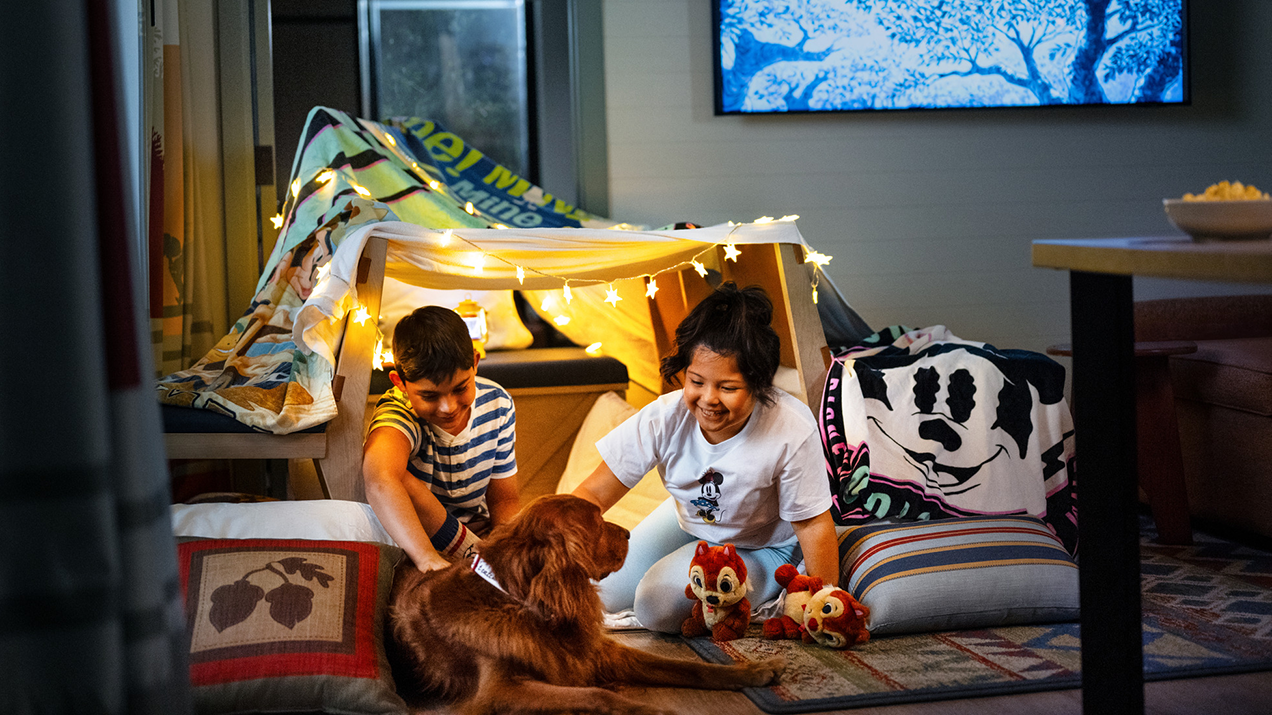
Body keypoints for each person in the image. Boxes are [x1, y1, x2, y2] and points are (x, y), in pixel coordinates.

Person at [572, 282, 839, 633]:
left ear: (759, 385)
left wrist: (825, 600)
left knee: (657, 606)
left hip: (762, 546)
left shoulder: (789, 426)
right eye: (697, 381)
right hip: (689, 523)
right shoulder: (664, 417)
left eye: (727, 388)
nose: (708, 399)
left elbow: (813, 525)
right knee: (591, 595)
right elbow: (591, 496)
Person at [363, 305, 521, 573]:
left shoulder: (498, 403)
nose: (448, 407)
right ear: (400, 383)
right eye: (430, 396)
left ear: (475, 361)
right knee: (397, 476)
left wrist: (507, 551)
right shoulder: (399, 412)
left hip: (479, 531)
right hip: (414, 540)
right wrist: (426, 558)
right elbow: (379, 479)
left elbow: (504, 500)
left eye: (460, 388)